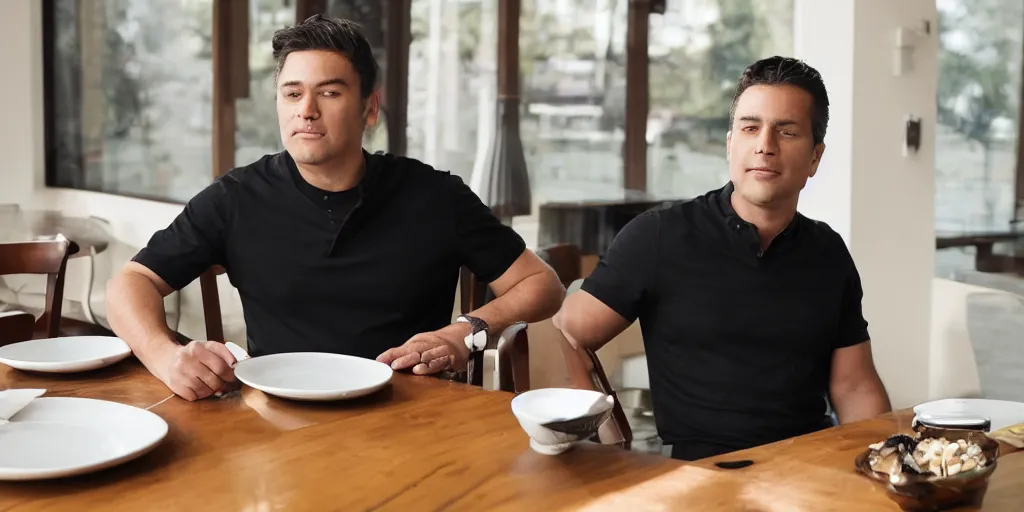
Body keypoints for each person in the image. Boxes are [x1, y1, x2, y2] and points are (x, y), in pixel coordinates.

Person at [106, 15, 564, 402]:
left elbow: (542, 284)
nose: (306, 110)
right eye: (292, 93)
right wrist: (165, 357)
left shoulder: (435, 196)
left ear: (370, 109)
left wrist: (466, 331)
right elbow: (132, 282)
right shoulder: (235, 197)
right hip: (275, 418)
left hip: (413, 415)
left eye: (328, 92)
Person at [552, 56, 891, 461]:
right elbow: (568, 328)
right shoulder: (660, 236)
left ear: (815, 158)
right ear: (731, 143)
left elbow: (854, 387)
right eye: (751, 128)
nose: (765, 145)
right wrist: (592, 418)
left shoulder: (828, 252)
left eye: (786, 131)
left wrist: (882, 460)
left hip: (807, 468)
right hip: (703, 473)